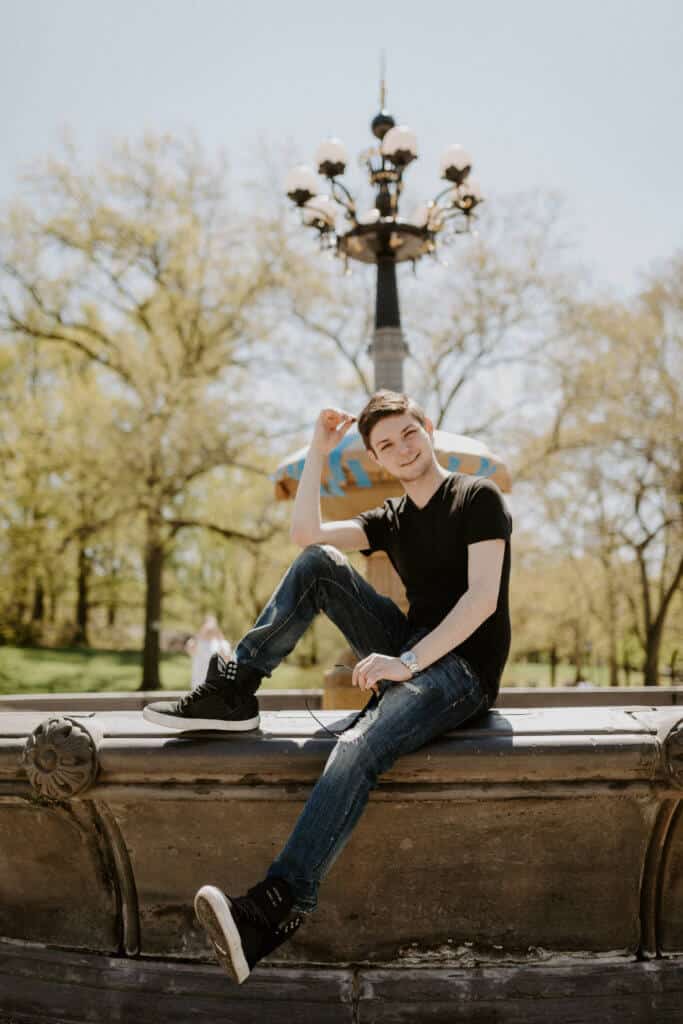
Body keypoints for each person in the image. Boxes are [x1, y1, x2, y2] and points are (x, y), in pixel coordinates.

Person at [143, 390, 512, 984]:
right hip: (411, 654)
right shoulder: (393, 517)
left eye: (409, 434)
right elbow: (304, 532)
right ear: (375, 458)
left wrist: (408, 662)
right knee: (318, 561)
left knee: (358, 746)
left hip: (463, 672)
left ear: (428, 428)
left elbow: (482, 601)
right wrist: (319, 451)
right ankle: (237, 689)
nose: (402, 449)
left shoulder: (477, 497)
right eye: (386, 445)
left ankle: (277, 907)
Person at [185, 615, 233, 690]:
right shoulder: (196, 642)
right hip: (198, 687)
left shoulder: (223, 643)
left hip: (217, 688)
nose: (210, 630)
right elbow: (189, 649)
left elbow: (227, 659)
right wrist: (201, 633)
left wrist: (219, 638)